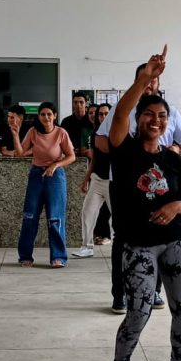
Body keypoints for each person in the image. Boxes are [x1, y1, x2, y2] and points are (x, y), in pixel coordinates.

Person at [103, 46, 181, 361]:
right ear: (138, 119)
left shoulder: (173, 159)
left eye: (162, 115)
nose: (155, 120)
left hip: (175, 243)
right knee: (138, 313)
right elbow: (120, 115)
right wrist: (145, 77)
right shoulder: (124, 151)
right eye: (148, 114)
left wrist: (177, 207)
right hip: (138, 246)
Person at [96, 63, 181, 313]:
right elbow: (102, 137)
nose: (156, 120)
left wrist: (178, 151)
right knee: (124, 237)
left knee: (162, 235)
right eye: (146, 79)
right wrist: (122, 154)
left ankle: (154, 290)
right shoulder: (125, 109)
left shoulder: (171, 111)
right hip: (125, 184)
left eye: (154, 79)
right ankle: (120, 294)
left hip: (162, 184)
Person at [17, 101, 76, 267]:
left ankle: (58, 257)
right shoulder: (33, 132)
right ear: (38, 116)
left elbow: (71, 156)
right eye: (42, 114)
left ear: (55, 115)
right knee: (29, 217)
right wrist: (15, 134)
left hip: (55, 177)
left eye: (49, 114)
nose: (46, 117)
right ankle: (25, 256)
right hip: (36, 176)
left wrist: (55, 165)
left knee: (55, 218)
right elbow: (20, 152)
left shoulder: (61, 133)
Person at [73, 103, 111, 258]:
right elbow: (94, 159)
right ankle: (87, 247)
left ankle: (122, 247)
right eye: (100, 114)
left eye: (106, 113)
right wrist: (86, 179)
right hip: (97, 179)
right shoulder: (96, 133)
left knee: (118, 217)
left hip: (113, 181)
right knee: (87, 212)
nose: (103, 117)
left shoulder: (118, 132)